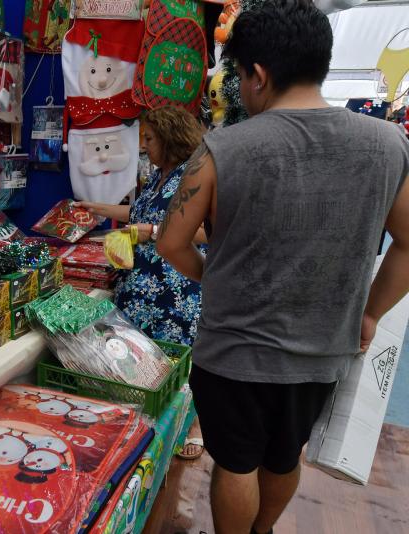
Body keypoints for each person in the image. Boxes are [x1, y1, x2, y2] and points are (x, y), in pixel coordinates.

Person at [155, 2, 409, 534]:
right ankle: (264, 530)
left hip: (233, 350)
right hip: (324, 347)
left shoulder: (222, 148)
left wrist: (210, 273)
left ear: (258, 74)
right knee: (283, 456)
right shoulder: (389, 145)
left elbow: (171, 241)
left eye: (239, 75)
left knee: (236, 462)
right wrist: (369, 314)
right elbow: (408, 245)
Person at [75, 105, 207, 347]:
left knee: (167, 363)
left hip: (172, 295)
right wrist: (95, 208)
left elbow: (208, 232)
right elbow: (140, 213)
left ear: (170, 138)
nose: (144, 146)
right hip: (139, 291)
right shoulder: (159, 175)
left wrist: (154, 233)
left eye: (149, 138)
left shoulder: (192, 176)